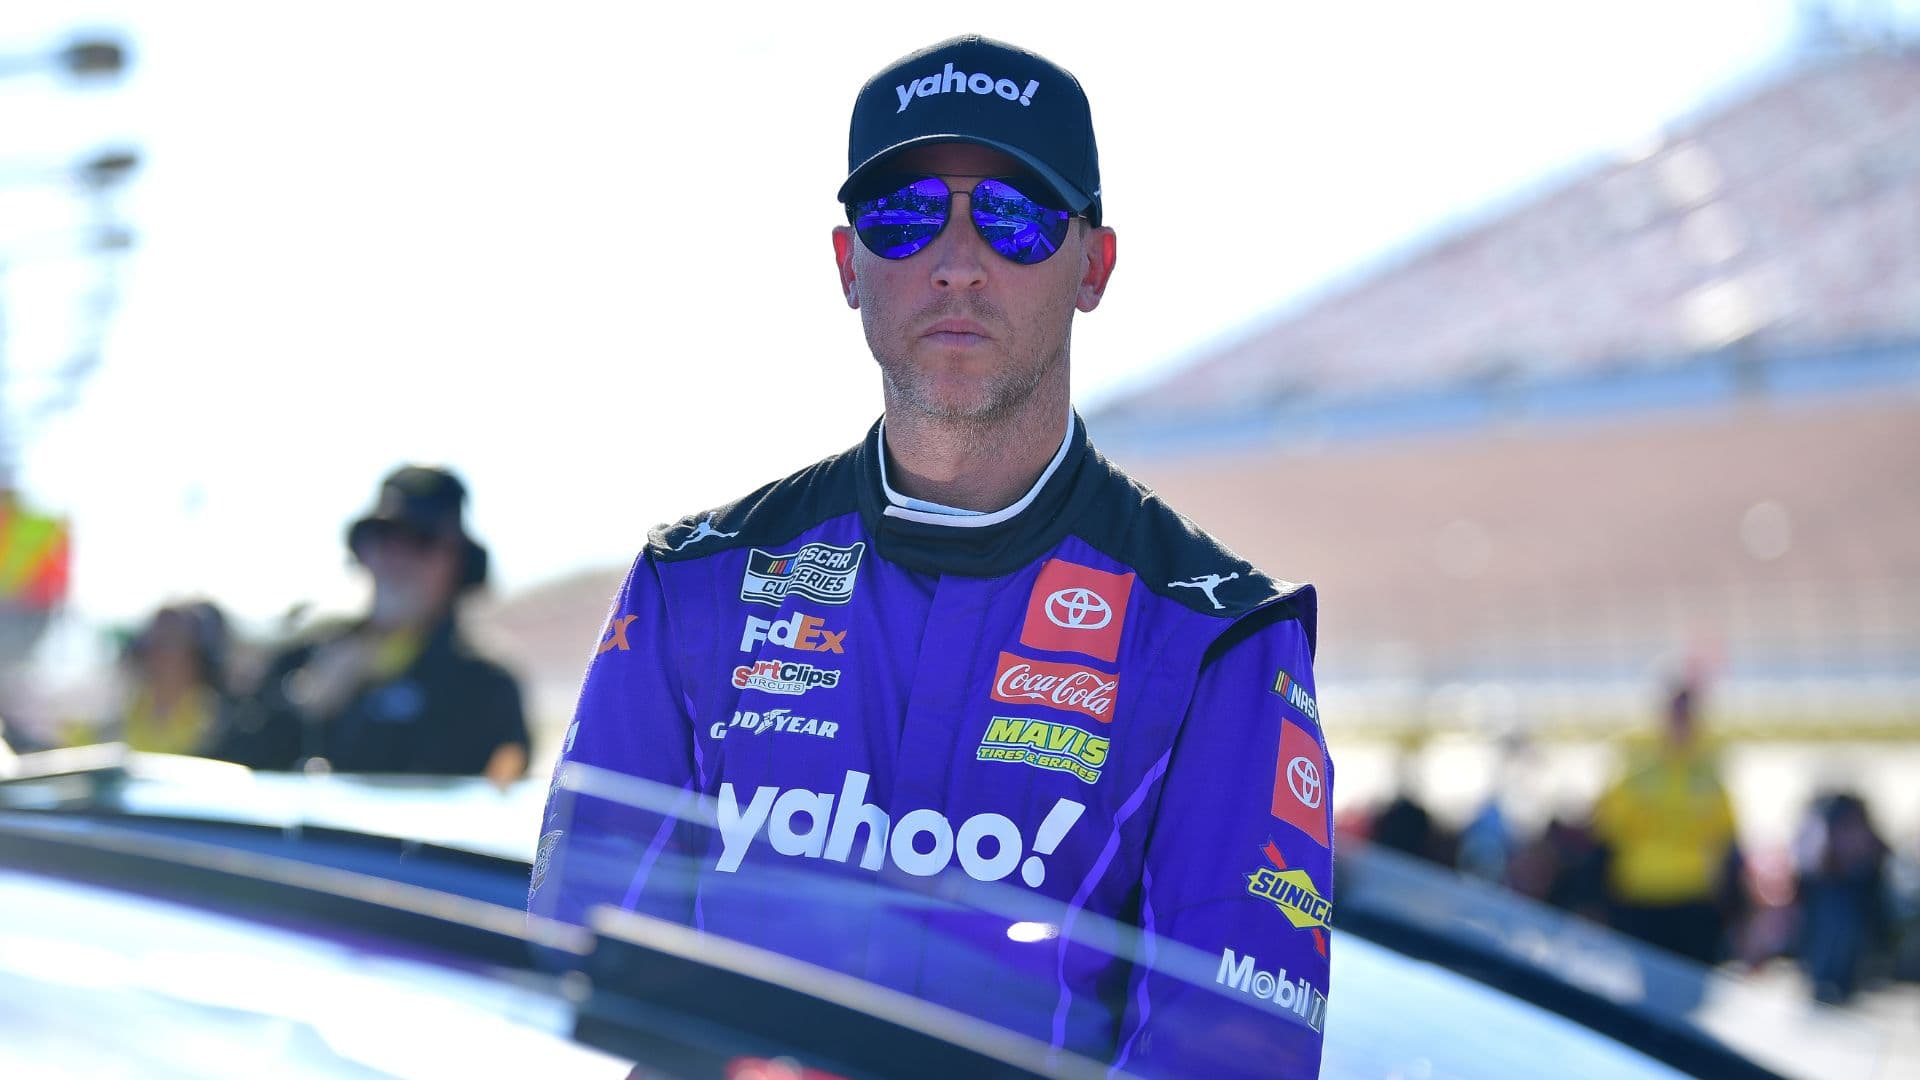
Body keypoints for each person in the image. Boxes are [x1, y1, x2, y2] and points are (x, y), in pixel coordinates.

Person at [532, 35, 1332, 1077]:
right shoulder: (695, 584)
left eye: (1015, 216)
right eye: (905, 218)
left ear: (1093, 266)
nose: (958, 261)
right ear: (846, 266)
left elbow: (1233, 1056)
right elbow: (577, 988)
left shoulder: (1219, 640)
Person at [207, 465, 529, 783]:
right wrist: (302, 709)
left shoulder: (487, 687)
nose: (397, 556)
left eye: (422, 540)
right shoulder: (302, 659)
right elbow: (225, 769)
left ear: (457, 562)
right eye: (383, 536)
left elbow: (497, 792)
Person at [1590, 681, 1742, 965]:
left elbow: (1727, 831)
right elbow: (1607, 826)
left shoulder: (1706, 767)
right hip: (1643, 893)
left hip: (1693, 892)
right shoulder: (1637, 764)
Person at [100, 601, 234, 755]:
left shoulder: (217, 721)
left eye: (171, 643)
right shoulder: (120, 710)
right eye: (153, 642)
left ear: (197, 657)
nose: (158, 655)